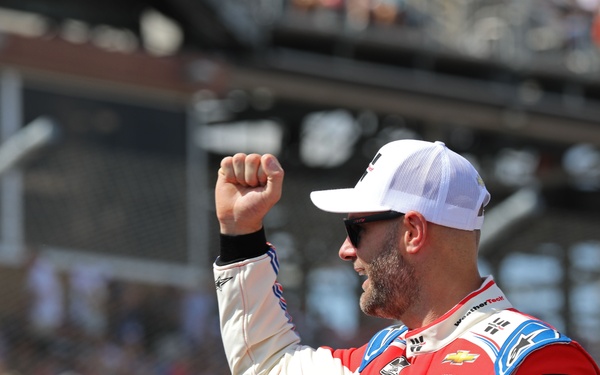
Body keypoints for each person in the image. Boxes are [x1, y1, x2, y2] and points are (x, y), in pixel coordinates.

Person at [213, 139, 600, 374]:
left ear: (413, 232)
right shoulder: (379, 357)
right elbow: (266, 366)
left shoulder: (532, 359)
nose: (346, 250)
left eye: (357, 229)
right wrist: (240, 233)